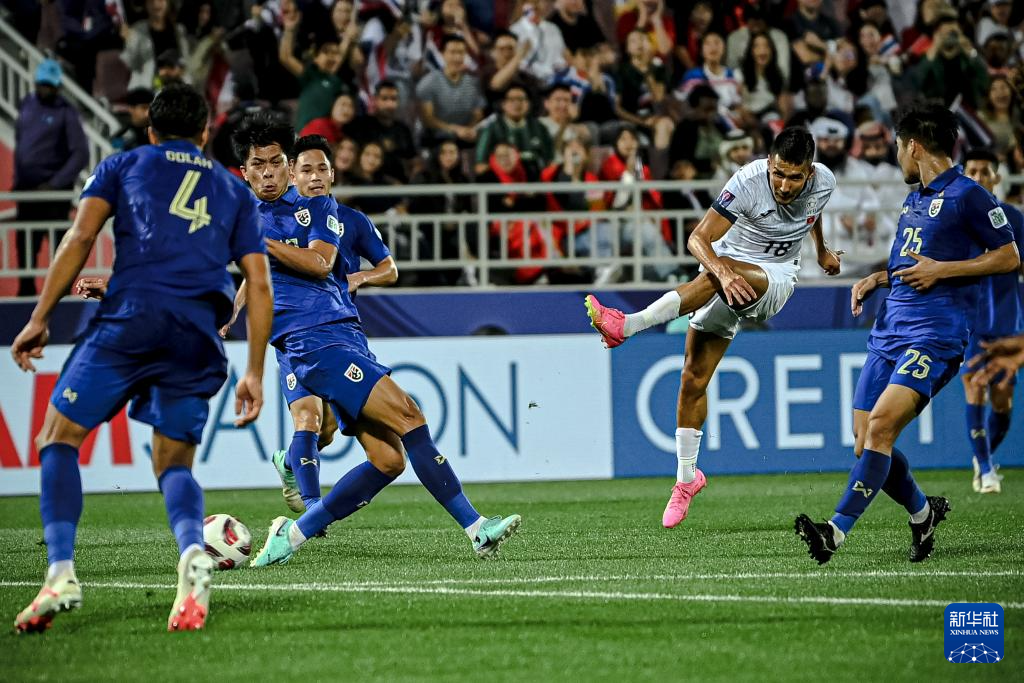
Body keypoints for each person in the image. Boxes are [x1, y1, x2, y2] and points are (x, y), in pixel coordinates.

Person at [10, 84, 273, 633]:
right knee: (173, 464)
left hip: (131, 320)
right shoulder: (234, 189)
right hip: (196, 335)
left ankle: (60, 573)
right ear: (205, 133)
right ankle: (191, 553)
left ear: (150, 132)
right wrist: (253, 370)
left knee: (57, 437)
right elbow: (260, 283)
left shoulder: (123, 164)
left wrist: (40, 317)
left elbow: (80, 237)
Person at [226, 116, 521, 565]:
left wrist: (259, 242)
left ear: (288, 165)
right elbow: (227, 274)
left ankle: (292, 535)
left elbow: (321, 263)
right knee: (407, 414)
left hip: (345, 333)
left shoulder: (318, 207)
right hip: (310, 342)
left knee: (388, 460)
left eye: (276, 162)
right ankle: (477, 528)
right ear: (244, 172)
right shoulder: (239, 218)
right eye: (257, 165)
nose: (268, 173)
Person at [794, 105, 1021, 565]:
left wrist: (944, 270)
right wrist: (878, 278)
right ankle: (923, 513)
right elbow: (912, 263)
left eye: (898, 147)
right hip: (889, 329)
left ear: (913, 146)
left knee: (880, 428)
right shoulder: (915, 198)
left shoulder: (969, 195)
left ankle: (835, 531)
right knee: (865, 442)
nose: (897, 156)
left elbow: (1009, 257)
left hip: (935, 334)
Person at [584, 127, 841, 527]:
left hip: (775, 277)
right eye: (778, 174)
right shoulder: (748, 181)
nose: (784, 185)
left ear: (809, 172)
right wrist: (722, 272)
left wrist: (821, 251)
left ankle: (628, 326)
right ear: (769, 164)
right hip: (725, 269)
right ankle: (687, 479)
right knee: (692, 378)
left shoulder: (824, 181)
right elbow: (698, 238)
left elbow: (814, 208)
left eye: (795, 177)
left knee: (721, 274)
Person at [958, 149, 1024, 494]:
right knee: (973, 385)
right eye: (973, 171)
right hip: (970, 320)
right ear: (963, 174)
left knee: (1002, 400)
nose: (979, 177)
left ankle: (982, 456)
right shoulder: (956, 217)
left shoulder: (1013, 218)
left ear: (996, 177)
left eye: (985, 171)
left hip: (1006, 319)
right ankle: (985, 470)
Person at [13, 59, 89, 297]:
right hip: (27, 191)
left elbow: (81, 154)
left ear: (58, 87)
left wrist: (55, 184)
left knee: (60, 246)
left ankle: (62, 293)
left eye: (50, 85)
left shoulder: (66, 112)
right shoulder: (27, 104)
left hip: (54, 194)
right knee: (26, 244)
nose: (45, 89)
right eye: (42, 84)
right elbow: (21, 144)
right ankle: (26, 291)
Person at [279, 3, 349, 131]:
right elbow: (286, 57)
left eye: (335, 53)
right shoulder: (311, 76)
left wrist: (348, 36)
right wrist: (289, 29)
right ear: (315, 58)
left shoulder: (340, 83)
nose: (331, 57)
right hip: (304, 137)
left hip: (327, 139)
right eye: (326, 52)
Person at [415, 35, 485, 148]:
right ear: (443, 54)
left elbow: (477, 113)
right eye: (452, 52)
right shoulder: (428, 82)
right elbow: (427, 118)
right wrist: (455, 130)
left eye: (461, 52)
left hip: (465, 139)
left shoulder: (473, 83)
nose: (457, 58)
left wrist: (469, 129)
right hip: (436, 140)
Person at [345, 80, 416, 183]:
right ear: (375, 100)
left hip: (400, 186)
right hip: (365, 183)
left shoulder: (403, 130)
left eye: (393, 99)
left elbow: (412, 159)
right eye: (384, 99)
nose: (389, 104)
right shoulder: (361, 126)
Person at [474, 84, 553, 176]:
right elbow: (480, 166)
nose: (517, 104)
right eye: (511, 100)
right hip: (501, 179)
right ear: (503, 104)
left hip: (535, 179)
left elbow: (549, 161)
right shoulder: (491, 129)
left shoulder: (539, 128)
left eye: (521, 99)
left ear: (528, 104)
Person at [112, 87, 154, 152]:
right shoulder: (122, 136)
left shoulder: (156, 131)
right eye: (144, 108)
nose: (148, 112)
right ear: (131, 109)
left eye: (150, 108)